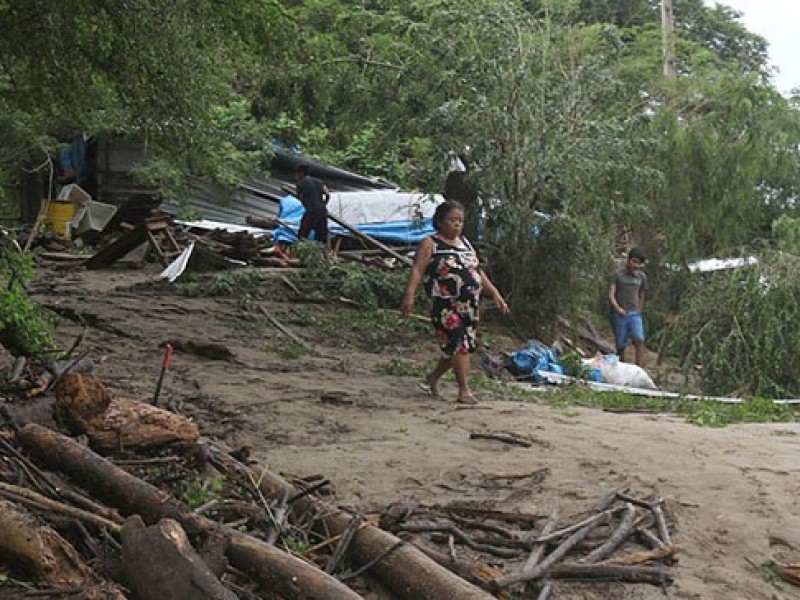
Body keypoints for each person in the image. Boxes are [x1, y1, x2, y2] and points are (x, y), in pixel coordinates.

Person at [400, 200, 509, 404]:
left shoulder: (465, 243)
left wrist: (494, 293)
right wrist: (409, 294)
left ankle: (432, 378)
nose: (457, 224)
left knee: (461, 345)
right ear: (440, 221)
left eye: (460, 221)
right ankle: (464, 391)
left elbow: (476, 271)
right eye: (452, 220)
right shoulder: (430, 243)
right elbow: (417, 269)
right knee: (460, 343)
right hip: (445, 304)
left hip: (469, 305)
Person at [608, 247, 648, 366]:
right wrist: (618, 309)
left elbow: (642, 294)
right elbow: (611, 294)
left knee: (639, 339)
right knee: (621, 345)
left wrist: (639, 309)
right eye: (634, 262)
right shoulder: (617, 275)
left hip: (634, 314)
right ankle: (621, 368)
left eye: (639, 263)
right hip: (619, 314)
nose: (636, 265)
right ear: (628, 260)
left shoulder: (641, 277)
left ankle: (639, 368)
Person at [282, 164, 330, 244]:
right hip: (322, 211)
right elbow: (328, 195)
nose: (296, 176)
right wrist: (324, 204)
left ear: (301, 173)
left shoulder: (301, 183)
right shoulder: (319, 181)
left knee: (302, 235)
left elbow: (300, 198)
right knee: (321, 237)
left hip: (311, 211)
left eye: (296, 174)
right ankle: (323, 254)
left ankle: (299, 250)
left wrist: (306, 203)